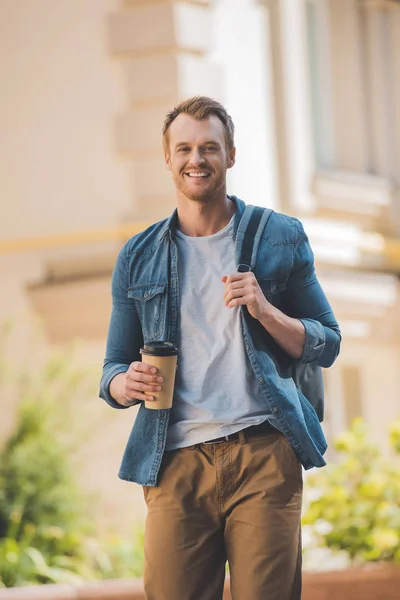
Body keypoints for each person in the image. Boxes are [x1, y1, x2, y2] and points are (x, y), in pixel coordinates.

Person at [100, 96, 341, 600]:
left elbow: (327, 341)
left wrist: (266, 310)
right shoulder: (138, 255)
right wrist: (125, 383)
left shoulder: (278, 237)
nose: (197, 159)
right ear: (167, 158)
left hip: (263, 453)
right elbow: (113, 368)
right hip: (175, 461)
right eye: (184, 148)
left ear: (230, 155)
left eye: (209, 147)